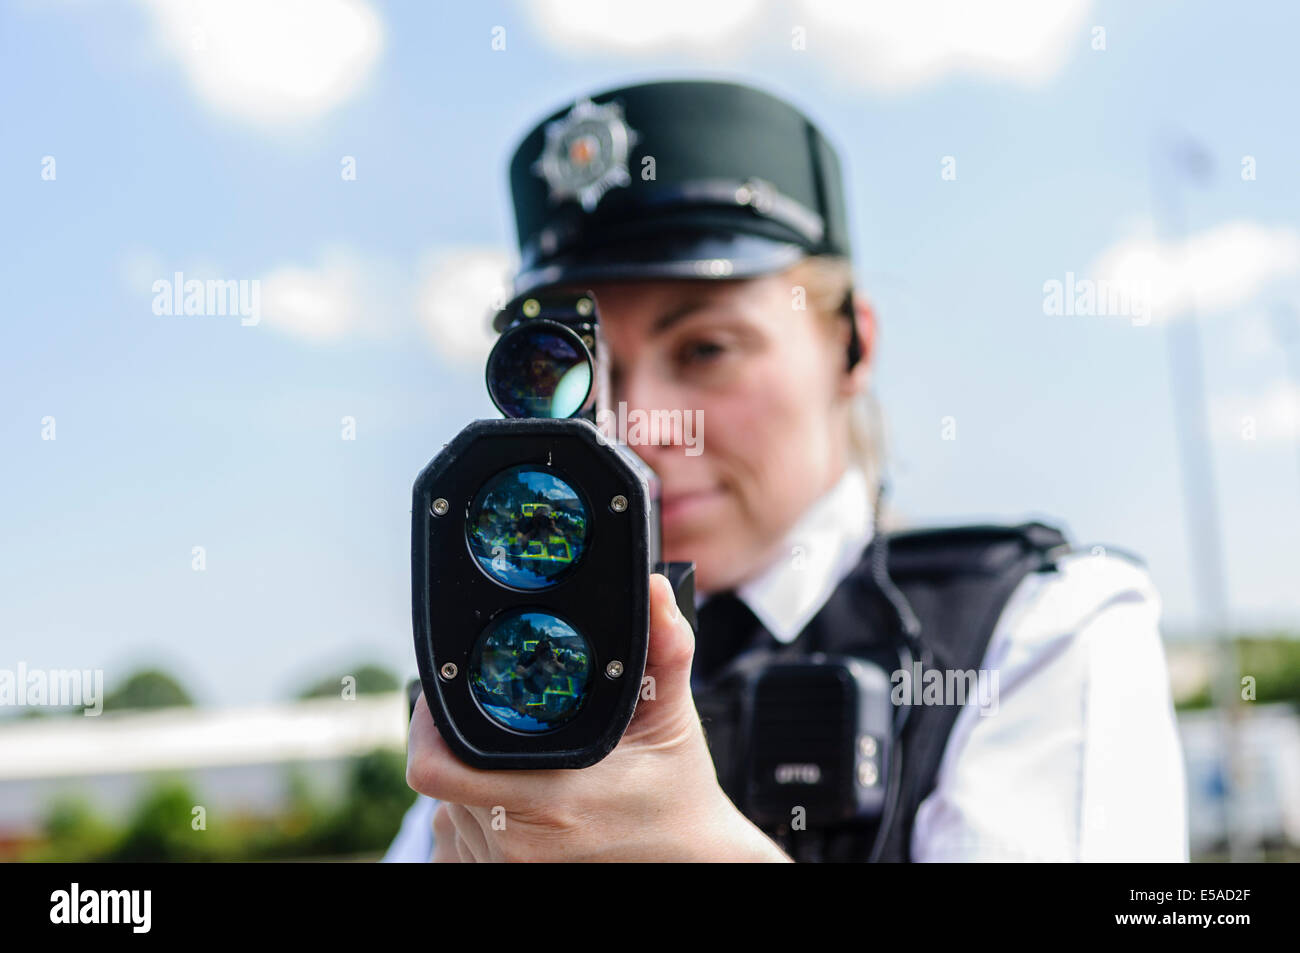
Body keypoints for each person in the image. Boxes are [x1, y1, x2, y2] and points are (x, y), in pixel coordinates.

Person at [386, 79, 1188, 862]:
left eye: (705, 348)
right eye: (580, 376)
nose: (638, 426)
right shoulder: (519, 675)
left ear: (853, 343)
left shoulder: (1037, 627)